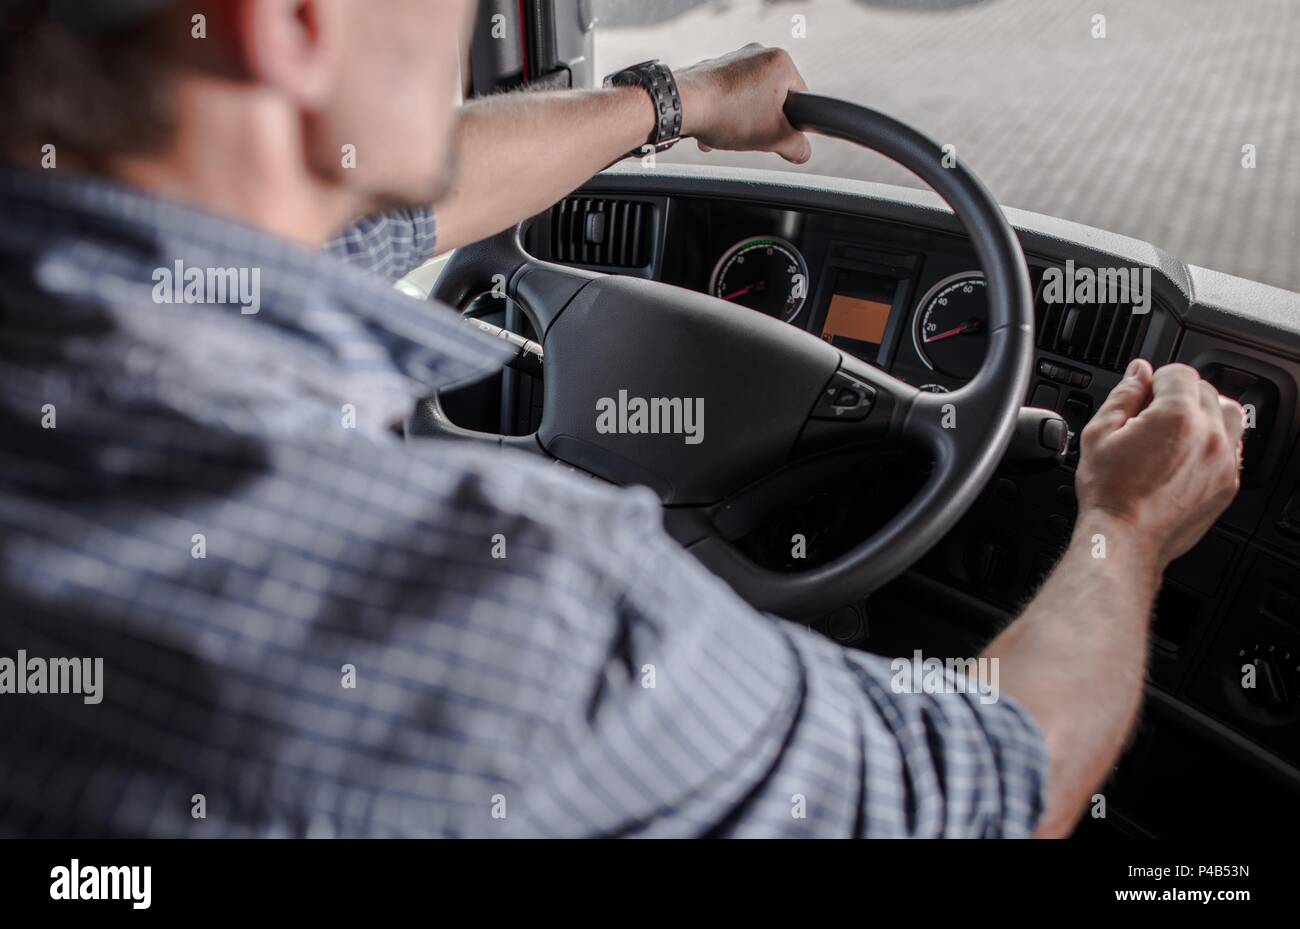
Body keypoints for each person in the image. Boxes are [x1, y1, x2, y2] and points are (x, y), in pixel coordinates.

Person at [0, 0, 1243, 838]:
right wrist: (1123, 525)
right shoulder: (498, 605)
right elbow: (984, 786)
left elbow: (354, 211)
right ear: (293, 28)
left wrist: (675, 104)